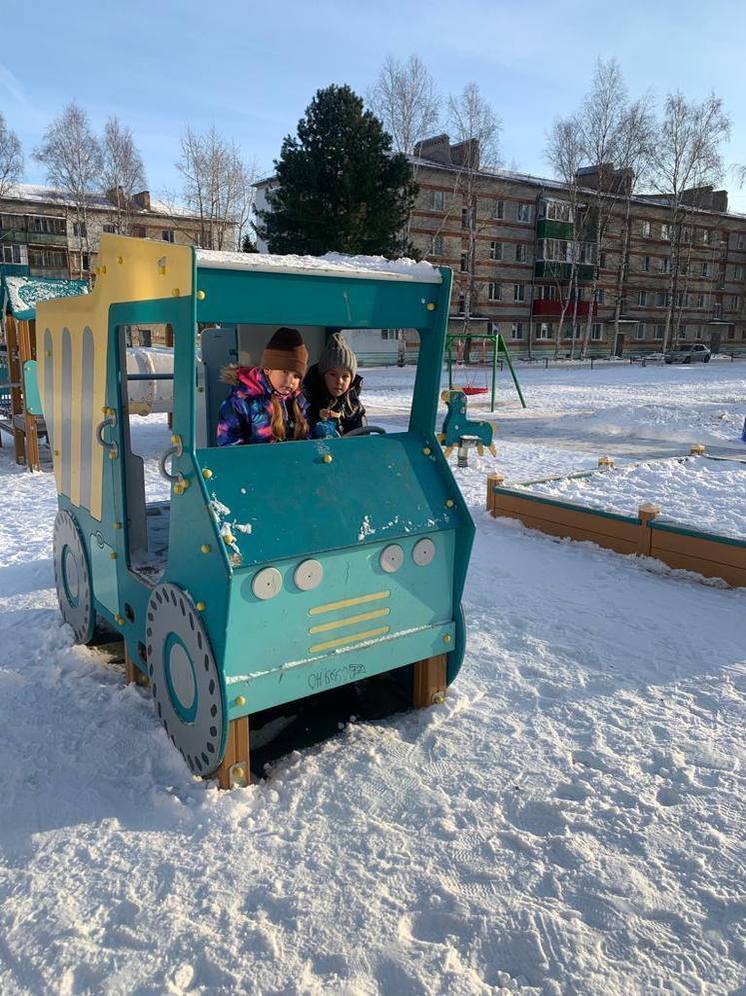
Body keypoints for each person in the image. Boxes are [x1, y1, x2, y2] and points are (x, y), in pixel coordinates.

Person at [216, 327, 309, 445]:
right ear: (267, 369)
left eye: (296, 376)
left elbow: (307, 438)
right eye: (284, 372)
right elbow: (229, 445)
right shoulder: (241, 402)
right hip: (255, 462)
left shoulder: (297, 400)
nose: (290, 381)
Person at [303, 332, 367, 438]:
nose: (339, 381)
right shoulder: (307, 401)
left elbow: (363, 435)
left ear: (352, 379)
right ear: (323, 376)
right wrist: (316, 419)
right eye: (333, 374)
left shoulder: (354, 405)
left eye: (345, 376)